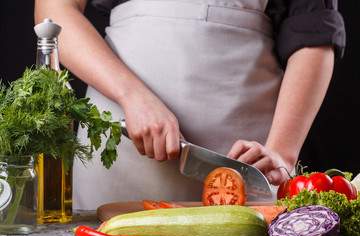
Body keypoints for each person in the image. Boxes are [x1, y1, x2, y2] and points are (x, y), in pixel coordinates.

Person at [34, 0, 345, 210]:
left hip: (250, 159)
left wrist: (281, 152)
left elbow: (314, 30)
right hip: (124, 141)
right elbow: (54, 9)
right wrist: (132, 95)